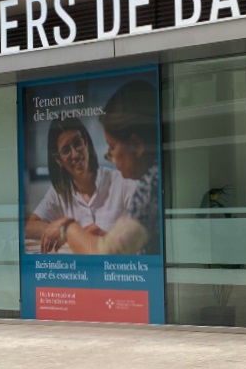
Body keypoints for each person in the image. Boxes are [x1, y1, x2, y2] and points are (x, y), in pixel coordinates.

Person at [61, 80, 160, 256]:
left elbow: (110, 253)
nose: (111, 157)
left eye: (112, 147)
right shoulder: (156, 177)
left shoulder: (151, 184)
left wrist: (68, 228)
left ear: (136, 145)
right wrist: (107, 237)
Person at [27, 118, 135, 253]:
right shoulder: (59, 191)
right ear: (58, 160)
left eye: (77, 143)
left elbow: (146, 239)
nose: (75, 154)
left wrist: (107, 239)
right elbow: (29, 226)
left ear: (85, 142)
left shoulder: (122, 182)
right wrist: (63, 231)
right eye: (66, 150)